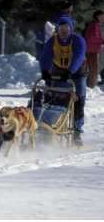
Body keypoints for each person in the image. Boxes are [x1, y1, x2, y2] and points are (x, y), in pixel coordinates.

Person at [40, 16, 87, 145]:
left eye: (66, 28)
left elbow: (79, 56)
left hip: (77, 73)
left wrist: (70, 71)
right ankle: (48, 123)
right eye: (61, 28)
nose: (64, 30)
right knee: (53, 95)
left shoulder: (78, 40)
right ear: (58, 29)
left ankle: (77, 130)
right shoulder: (52, 41)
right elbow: (45, 56)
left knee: (79, 99)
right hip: (59, 70)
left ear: (71, 29)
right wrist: (44, 70)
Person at [83, 10, 104, 88]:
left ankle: (90, 85)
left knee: (92, 68)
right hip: (92, 50)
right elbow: (92, 37)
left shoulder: (94, 24)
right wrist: (102, 40)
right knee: (94, 69)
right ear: (97, 16)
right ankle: (91, 86)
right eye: (102, 16)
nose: (103, 18)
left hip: (92, 49)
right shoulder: (95, 24)